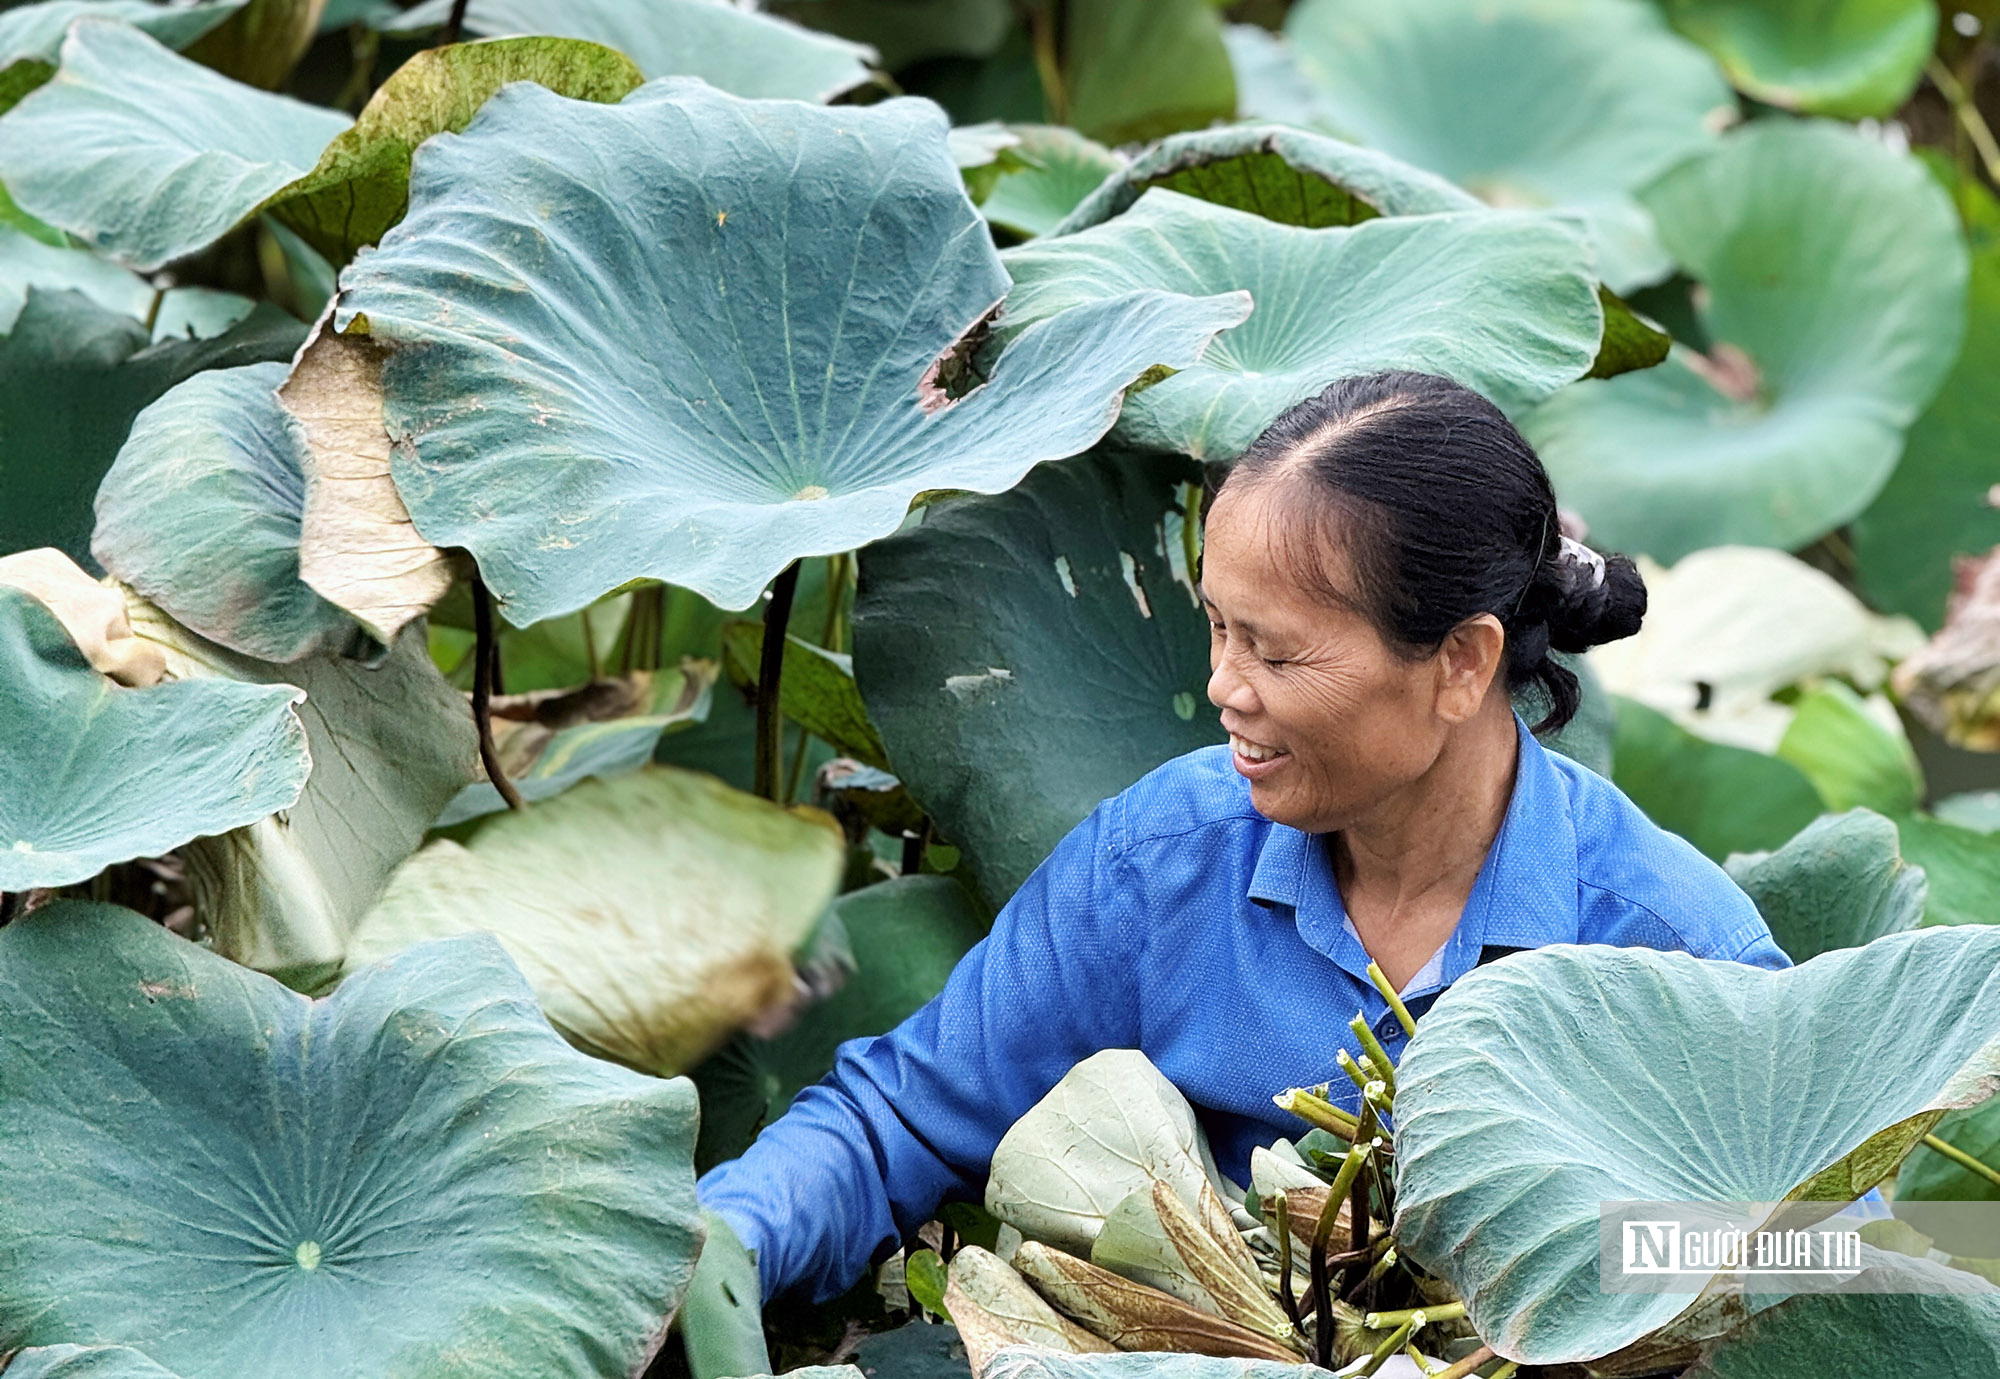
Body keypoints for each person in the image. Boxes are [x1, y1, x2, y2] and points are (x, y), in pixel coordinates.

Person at [696, 370, 1796, 1308]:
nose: (1222, 687)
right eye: (1217, 627)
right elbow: (894, 1120)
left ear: (1461, 661)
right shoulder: (1163, 854)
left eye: (1275, 652)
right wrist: (713, 1252)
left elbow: (1844, 1251)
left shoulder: (1673, 949)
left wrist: (1554, 1265)